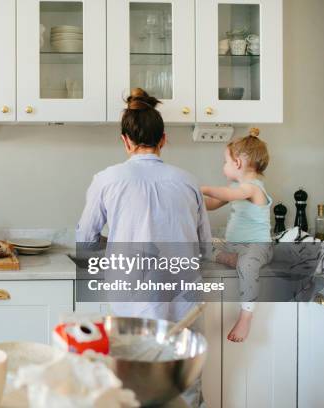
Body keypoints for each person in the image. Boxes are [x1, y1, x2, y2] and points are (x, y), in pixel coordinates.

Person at [76, 88, 211, 407]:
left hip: (133, 301)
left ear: (125, 140)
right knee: (183, 385)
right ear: (164, 139)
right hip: (185, 301)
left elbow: (85, 239)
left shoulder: (107, 180)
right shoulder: (188, 180)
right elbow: (204, 246)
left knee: (134, 385)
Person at [202, 128, 272, 343]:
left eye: (225, 161)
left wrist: (200, 188)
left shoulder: (252, 188)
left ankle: (246, 316)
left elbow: (227, 195)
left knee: (248, 264)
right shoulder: (236, 187)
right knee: (203, 245)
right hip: (235, 246)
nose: (224, 167)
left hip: (257, 247)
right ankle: (230, 259)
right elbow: (212, 204)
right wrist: (192, 201)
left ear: (238, 163)